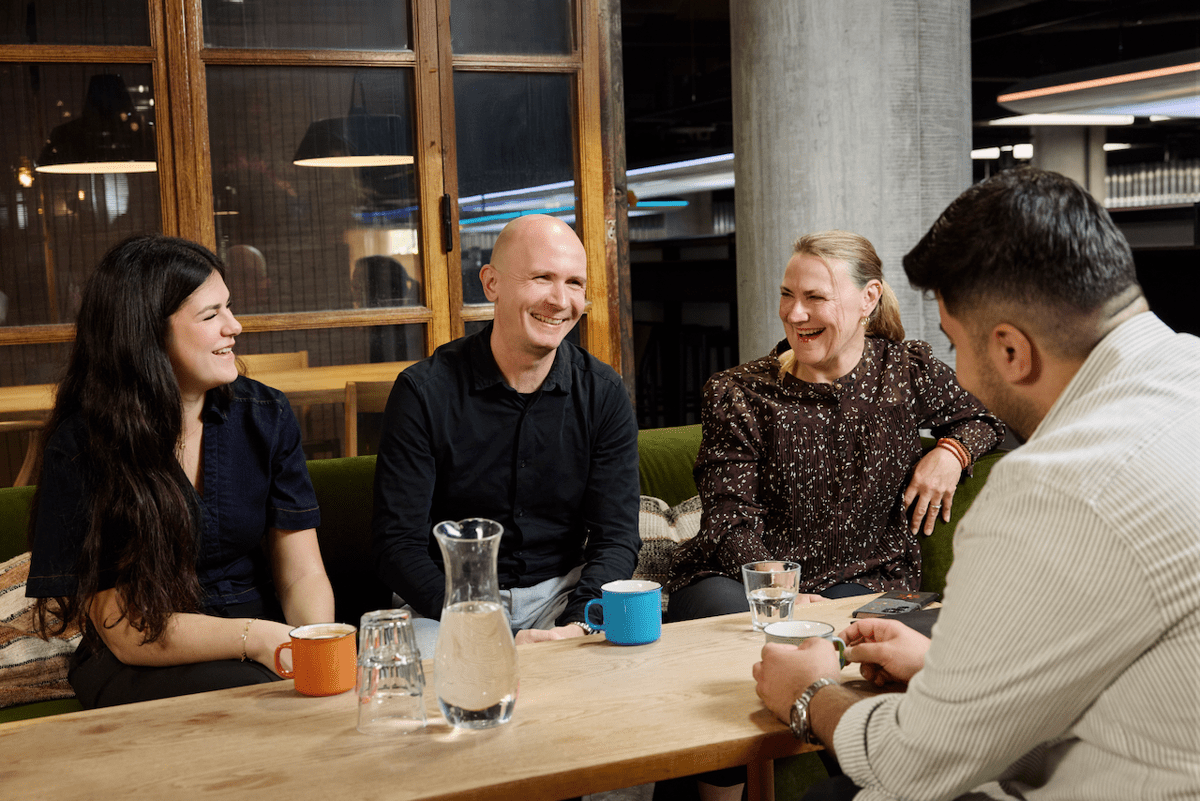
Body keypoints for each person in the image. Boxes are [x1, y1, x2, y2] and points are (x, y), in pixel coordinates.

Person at [753, 167, 1200, 800]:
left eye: (955, 344)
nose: (957, 372)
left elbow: (913, 764)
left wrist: (810, 693)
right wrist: (944, 670)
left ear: (1011, 351)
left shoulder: (1053, 487)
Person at [25, 234, 335, 708]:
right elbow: (125, 628)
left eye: (228, 307)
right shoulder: (82, 445)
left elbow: (302, 573)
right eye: (211, 316)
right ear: (148, 334)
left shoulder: (265, 414)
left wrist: (314, 646)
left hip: (262, 639)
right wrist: (258, 639)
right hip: (143, 657)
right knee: (255, 696)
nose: (234, 326)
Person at [668, 230, 1004, 621]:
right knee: (750, 620)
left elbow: (985, 415)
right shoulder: (739, 392)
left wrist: (951, 453)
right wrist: (781, 587)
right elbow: (728, 518)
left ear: (869, 297)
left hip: (864, 578)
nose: (794, 314)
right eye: (787, 295)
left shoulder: (905, 372)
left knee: (851, 626)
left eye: (815, 297)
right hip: (741, 579)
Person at [371, 214, 640, 657]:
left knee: (621, 672)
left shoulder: (604, 393)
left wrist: (579, 622)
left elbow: (616, 538)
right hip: (445, 604)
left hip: (562, 598)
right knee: (430, 678)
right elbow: (396, 546)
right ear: (491, 283)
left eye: (574, 283)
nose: (560, 300)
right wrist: (479, 623)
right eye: (542, 278)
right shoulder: (423, 392)